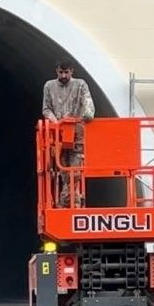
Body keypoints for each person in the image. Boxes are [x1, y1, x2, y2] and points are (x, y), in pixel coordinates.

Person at [42, 60, 95, 206]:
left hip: (77, 133)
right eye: (61, 72)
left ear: (72, 71)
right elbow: (46, 109)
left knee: (76, 169)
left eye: (66, 72)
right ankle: (71, 199)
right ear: (56, 71)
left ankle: (68, 201)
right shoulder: (49, 86)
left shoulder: (80, 85)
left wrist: (86, 115)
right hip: (58, 134)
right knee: (63, 168)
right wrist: (56, 122)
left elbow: (88, 103)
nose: (63, 75)